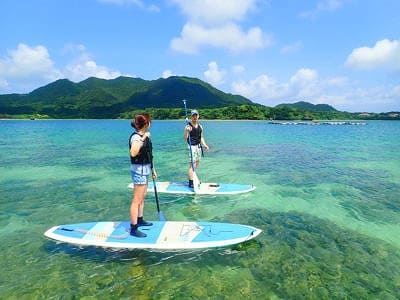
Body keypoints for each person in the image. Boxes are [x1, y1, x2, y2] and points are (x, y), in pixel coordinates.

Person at [129, 113, 157, 237]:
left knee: (142, 197)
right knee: (136, 200)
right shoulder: (136, 137)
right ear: (146, 124)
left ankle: (140, 219)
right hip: (138, 170)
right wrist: (143, 137)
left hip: (145, 169)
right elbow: (133, 153)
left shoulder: (144, 136)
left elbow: (148, 155)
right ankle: (133, 228)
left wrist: (153, 169)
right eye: (150, 122)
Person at [183, 109, 209, 188]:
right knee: (192, 165)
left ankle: (194, 178)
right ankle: (191, 182)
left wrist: (205, 145)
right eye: (193, 116)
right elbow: (185, 138)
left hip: (198, 147)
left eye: (196, 115)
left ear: (198, 116)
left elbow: (201, 137)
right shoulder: (188, 126)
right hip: (192, 147)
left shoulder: (200, 126)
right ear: (191, 117)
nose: (195, 117)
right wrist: (187, 131)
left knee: (197, 163)